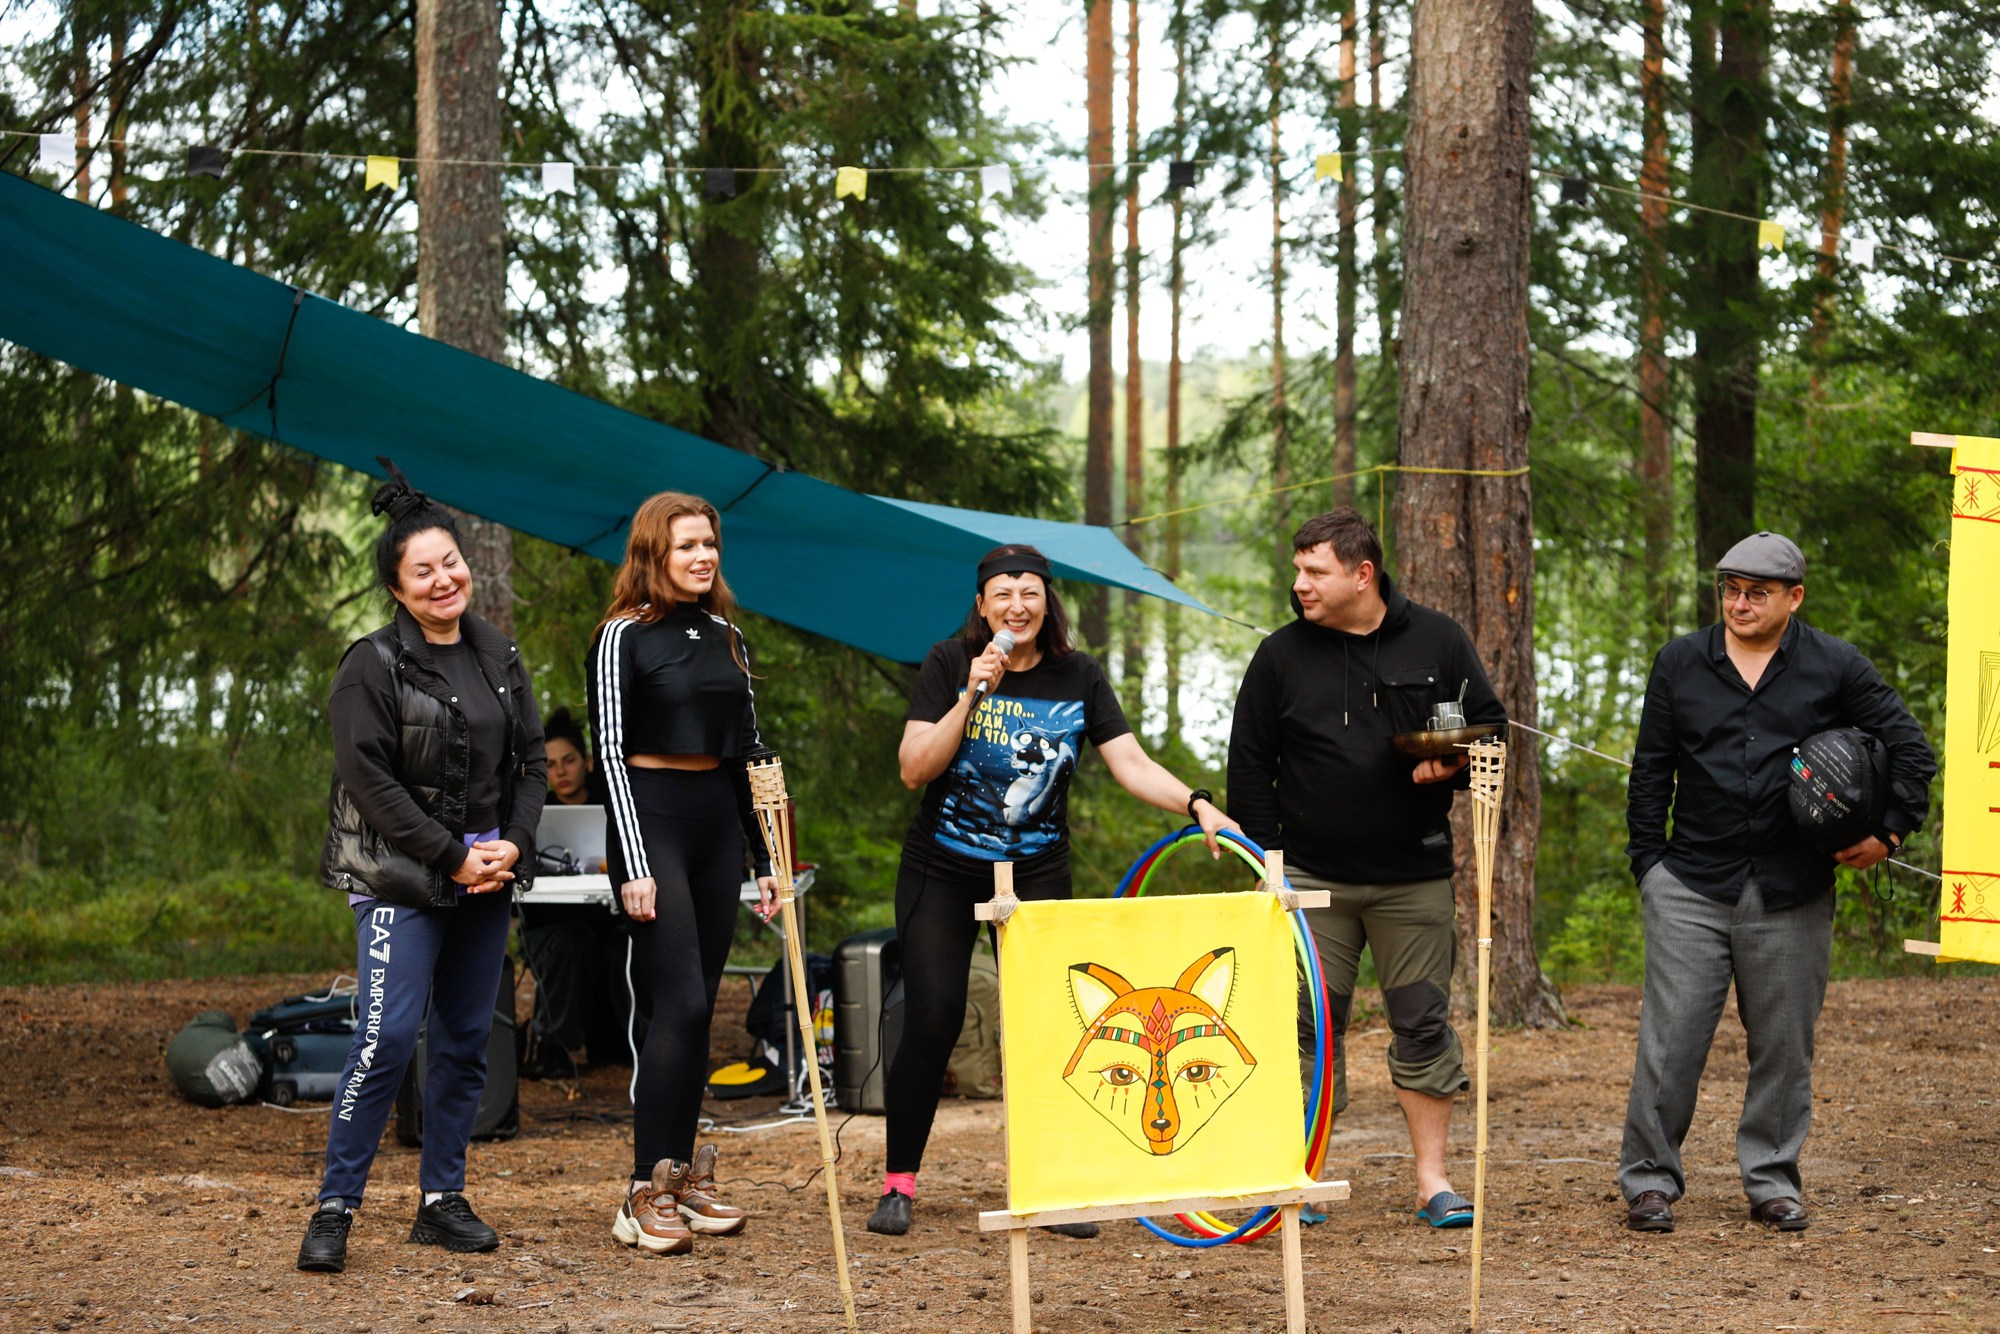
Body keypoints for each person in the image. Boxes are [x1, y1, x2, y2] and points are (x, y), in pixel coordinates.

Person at [865, 543, 1240, 1238]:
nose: (1017, 606)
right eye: (1003, 594)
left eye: (1030, 593)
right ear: (982, 606)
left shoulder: (1079, 675)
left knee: (1044, 1024)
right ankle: (899, 1185)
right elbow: (914, 768)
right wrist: (971, 694)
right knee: (934, 1016)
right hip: (943, 866)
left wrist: (1198, 805)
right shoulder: (949, 662)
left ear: (1047, 602)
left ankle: (1052, 1185)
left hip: (1036, 868)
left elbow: (1130, 762)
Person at [1620, 531, 1934, 1234]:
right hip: (1689, 882)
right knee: (1670, 1043)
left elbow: (1911, 748)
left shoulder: (1835, 664)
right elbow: (1651, 770)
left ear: (1794, 597)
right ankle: (1649, 1181)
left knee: (1785, 1047)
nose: (1739, 604)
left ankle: (1771, 1180)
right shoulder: (1679, 662)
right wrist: (1649, 866)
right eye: (1730, 590)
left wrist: (1888, 834)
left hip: (1793, 888)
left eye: (1757, 593)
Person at [297, 465, 547, 1274]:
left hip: (485, 874)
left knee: (468, 1039)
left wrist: (514, 842)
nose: (444, 580)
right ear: (397, 590)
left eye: (451, 563)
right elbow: (369, 783)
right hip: (400, 877)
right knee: (388, 1036)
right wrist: (453, 856)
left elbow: (533, 762)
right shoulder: (371, 665)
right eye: (423, 572)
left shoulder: (498, 654)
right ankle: (336, 1206)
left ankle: (442, 1200)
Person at [1226, 507, 1505, 1231]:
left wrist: (1451, 765)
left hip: (1413, 877)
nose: (1299, 584)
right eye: (1297, 569)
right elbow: (1249, 766)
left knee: (1423, 1023)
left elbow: (1490, 732)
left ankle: (1433, 1182)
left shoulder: (1438, 639)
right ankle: (1301, 1177)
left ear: (1362, 574)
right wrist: (1266, 863)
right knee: (1307, 1027)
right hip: (1308, 880)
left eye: (1314, 571)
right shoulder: (1280, 655)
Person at [587, 491, 779, 1257]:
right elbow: (608, 755)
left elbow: (749, 751)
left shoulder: (729, 636)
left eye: (709, 544)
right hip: (653, 817)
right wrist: (633, 861)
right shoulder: (622, 635)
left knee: (700, 1009)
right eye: (686, 546)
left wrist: (766, 858)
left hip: (715, 826)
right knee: (681, 1001)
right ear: (653, 555)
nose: (702, 557)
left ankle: (681, 1179)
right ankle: (643, 1190)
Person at [517, 707, 632, 1079]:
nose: (560, 772)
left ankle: (627, 1042)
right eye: (550, 765)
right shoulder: (533, 811)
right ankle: (555, 1050)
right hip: (551, 929)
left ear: (587, 762)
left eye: (568, 761)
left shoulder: (615, 806)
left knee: (624, 942)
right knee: (573, 940)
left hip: (610, 922)